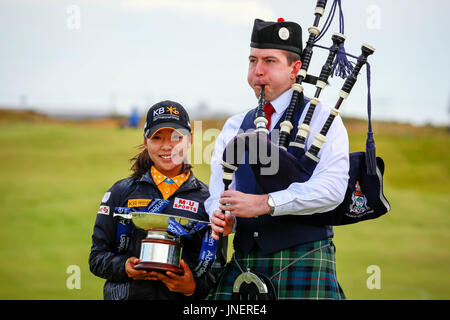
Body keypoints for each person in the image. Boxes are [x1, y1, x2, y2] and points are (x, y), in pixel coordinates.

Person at [206, 18, 349, 300]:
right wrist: (222, 217)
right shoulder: (235, 125)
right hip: (244, 261)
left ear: (295, 69)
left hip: (304, 259)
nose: (257, 71)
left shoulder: (322, 118)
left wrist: (265, 203)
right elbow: (217, 194)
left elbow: (332, 190)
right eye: (252, 60)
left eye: (269, 61)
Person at [89, 100, 217, 300]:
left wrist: (191, 286)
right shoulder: (120, 192)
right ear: (145, 140)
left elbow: (216, 269)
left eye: (176, 137)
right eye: (157, 137)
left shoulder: (209, 199)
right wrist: (125, 267)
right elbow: (97, 258)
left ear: (190, 139)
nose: (166, 146)